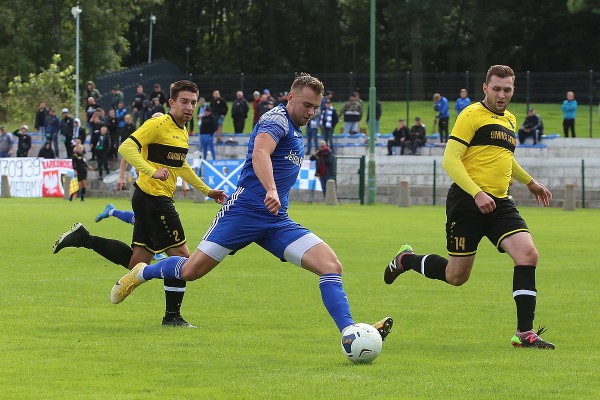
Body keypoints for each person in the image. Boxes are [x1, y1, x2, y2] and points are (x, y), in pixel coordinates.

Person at [108, 73, 393, 345]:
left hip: (276, 220)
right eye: (307, 105)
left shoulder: (295, 129)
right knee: (191, 270)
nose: (311, 112)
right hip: (243, 213)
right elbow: (260, 152)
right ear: (291, 97)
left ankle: (350, 332)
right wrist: (270, 189)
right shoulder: (275, 120)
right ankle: (142, 273)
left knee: (331, 267)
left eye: (315, 108)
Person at [384, 65, 555, 350]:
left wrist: (530, 182)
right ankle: (406, 260)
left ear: (513, 90)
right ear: (485, 88)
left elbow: (504, 158)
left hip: (500, 203)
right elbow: (450, 160)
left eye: (507, 90)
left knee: (528, 254)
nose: (502, 95)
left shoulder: (510, 119)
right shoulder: (470, 114)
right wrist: (476, 193)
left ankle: (524, 333)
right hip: (467, 202)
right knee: (456, 276)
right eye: (496, 89)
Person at [53, 80, 227, 327]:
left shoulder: (182, 131)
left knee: (137, 262)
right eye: (184, 101)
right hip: (155, 199)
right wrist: (151, 171)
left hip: (149, 199)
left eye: (193, 102)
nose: (189, 107)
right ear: (171, 103)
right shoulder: (158, 124)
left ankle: (84, 238)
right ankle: (172, 317)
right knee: (183, 259)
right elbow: (126, 147)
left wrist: (207, 191)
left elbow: (181, 166)